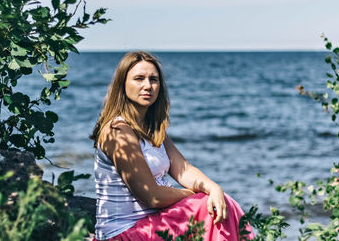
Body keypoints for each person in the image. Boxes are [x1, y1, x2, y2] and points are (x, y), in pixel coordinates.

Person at [90, 51, 254, 241]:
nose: (147, 86)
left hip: (154, 224)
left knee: (220, 201)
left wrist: (213, 188)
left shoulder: (152, 129)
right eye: (139, 79)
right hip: (125, 233)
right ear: (123, 85)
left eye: (154, 79)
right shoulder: (117, 131)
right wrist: (193, 194)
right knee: (203, 206)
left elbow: (184, 170)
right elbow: (152, 196)